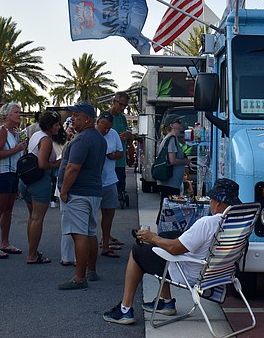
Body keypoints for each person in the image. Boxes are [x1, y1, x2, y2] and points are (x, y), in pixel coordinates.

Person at [103, 178, 242, 325]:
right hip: (218, 274)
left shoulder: (209, 223)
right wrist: (160, 239)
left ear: (218, 202)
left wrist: (152, 238)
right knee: (164, 240)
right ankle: (165, 301)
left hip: (190, 274)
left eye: (211, 200)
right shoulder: (236, 223)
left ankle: (125, 309)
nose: (210, 203)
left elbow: (174, 249)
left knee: (138, 251)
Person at [57, 101, 106, 290]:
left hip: (78, 192)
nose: (73, 119)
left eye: (76, 116)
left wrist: (63, 190)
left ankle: (79, 277)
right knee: (90, 232)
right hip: (93, 191)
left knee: (79, 234)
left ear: (87, 119)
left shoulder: (82, 139)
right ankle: (91, 270)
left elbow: (73, 167)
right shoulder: (99, 138)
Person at [20, 111, 61, 265]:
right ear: (50, 126)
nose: (59, 127)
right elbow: (43, 164)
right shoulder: (46, 140)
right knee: (37, 218)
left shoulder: (36, 134)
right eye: (56, 125)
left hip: (26, 180)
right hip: (40, 181)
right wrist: (58, 163)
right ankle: (32, 254)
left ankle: (33, 250)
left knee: (32, 217)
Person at [0, 102, 27, 259]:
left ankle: (5, 242)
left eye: (19, 112)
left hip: (13, 172)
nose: (19, 114)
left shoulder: (16, 131)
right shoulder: (2, 131)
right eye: (16, 112)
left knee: (8, 209)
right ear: (7, 115)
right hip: (2, 173)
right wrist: (16, 149)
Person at [97, 111, 124, 259]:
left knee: (109, 213)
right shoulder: (92, 134)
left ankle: (105, 243)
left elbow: (120, 152)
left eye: (109, 127)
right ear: (98, 121)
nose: (106, 130)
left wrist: (114, 156)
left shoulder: (113, 134)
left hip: (110, 180)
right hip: (94, 182)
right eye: (104, 126)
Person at [155, 119, 189, 224]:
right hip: (170, 181)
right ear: (171, 125)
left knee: (166, 206)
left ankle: (162, 229)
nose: (179, 125)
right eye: (177, 123)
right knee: (167, 207)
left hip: (171, 181)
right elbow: (172, 160)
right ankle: (161, 228)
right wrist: (185, 161)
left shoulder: (170, 139)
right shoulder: (171, 139)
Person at [109, 92, 132, 207]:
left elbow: (128, 133)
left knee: (121, 180)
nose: (122, 108)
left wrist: (128, 135)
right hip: (108, 159)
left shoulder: (122, 118)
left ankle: (121, 195)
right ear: (114, 102)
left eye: (125, 106)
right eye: (121, 104)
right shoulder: (105, 117)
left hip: (120, 159)